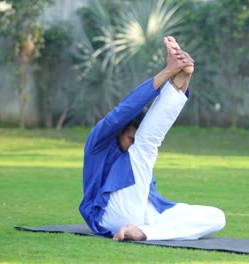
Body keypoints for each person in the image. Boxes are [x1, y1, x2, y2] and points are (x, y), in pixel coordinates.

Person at [79, 36, 226, 241]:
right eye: (131, 138)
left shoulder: (138, 162)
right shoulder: (99, 143)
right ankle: (176, 81)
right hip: (109, 215)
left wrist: (185, 75)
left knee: (217, 217)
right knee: (145, 147)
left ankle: (143, 234)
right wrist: (169, 72)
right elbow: (124, 111)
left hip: (147, 216)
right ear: (120, 132)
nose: (132, 144)